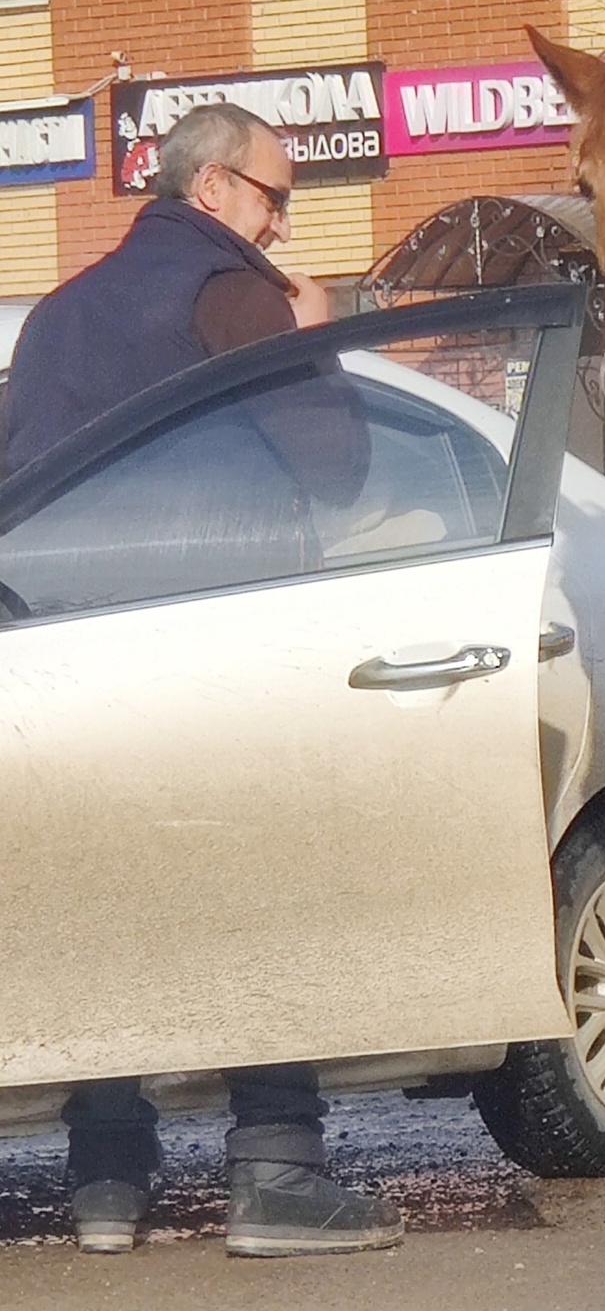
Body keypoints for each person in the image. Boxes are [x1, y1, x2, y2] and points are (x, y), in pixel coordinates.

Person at [0, 103, 398, 1258]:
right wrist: (308, 339)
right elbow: (336, 470)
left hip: (64, 665)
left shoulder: (60, 317)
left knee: (103, 909)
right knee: (258, 897)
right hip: (215, 657)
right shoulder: (236, 297)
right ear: (215, 190)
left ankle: (106, 1179)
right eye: (277, 197)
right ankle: (277, 1168)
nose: (284, 220)